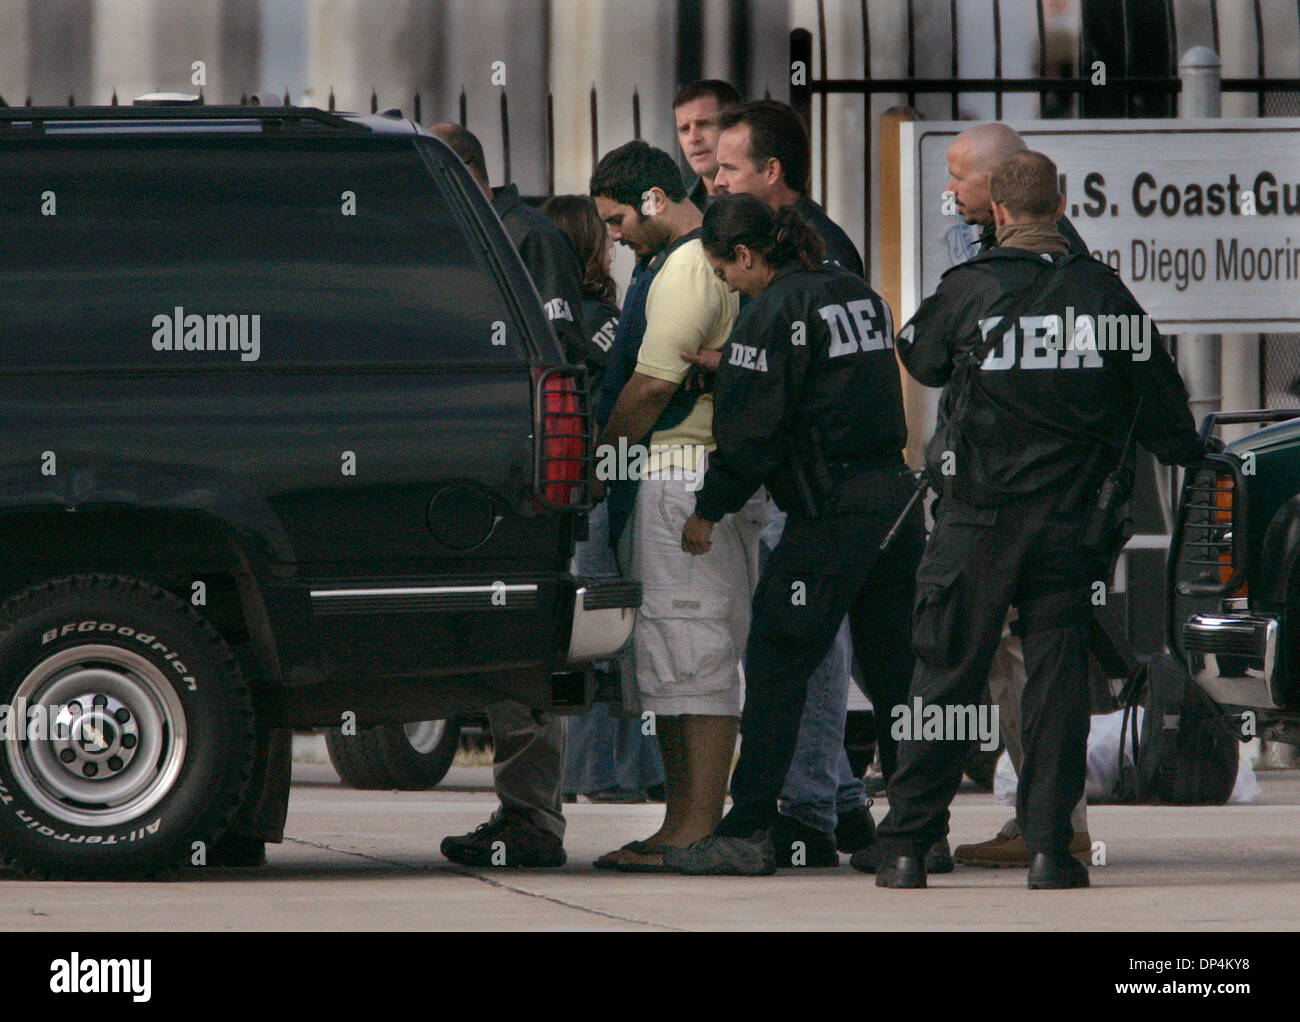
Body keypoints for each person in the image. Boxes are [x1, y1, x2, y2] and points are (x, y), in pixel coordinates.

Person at [872, 151, 1206, 890]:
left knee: (944, 676)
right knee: (1055, 684)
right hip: (1070, 530)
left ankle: (907, 848)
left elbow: (922, 361)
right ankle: (1053, 850)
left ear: (996, 212)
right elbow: (1168, 419)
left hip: (975, 523)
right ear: (1060, 205)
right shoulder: (1105, 294)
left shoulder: (970, 287)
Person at [664, 194, 923, 875]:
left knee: (778, 662)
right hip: (894, 503)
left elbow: (750, 434)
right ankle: (919, 830)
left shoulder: (771, 312)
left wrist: (708, 509)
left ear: (747, 256)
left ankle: (747, 828)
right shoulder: (857, 294)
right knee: (897, 673)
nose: (728, 284)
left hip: (827, 513)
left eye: (726, 271)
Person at [589, 141, 766, 871]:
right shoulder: (678, 264)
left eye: (620, 218)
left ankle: (696, 827)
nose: (615, 235)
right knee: (669, 657)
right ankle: (678, 822)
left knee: (694, 655)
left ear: (657, 199)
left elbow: (653, 386)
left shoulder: (691, 266)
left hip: (682, 475)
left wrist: (601, 457)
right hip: (675, 477)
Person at [935, 122, 1095, 870]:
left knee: (1035, 660)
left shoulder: (1058, 262)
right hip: (994, 486)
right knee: (1006, 662)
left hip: (1031, 496)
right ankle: (1035, 816)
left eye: (961, 178)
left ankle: (1053, 822)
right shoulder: (970, 249)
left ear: (1000, 189)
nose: (950, 190)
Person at [430, 123, 587, 868]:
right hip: (464, 466)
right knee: (490, 650)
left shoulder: (527, 239)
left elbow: (555, 362)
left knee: (517, 648)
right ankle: (522, 812)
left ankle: (532, 820)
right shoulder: (466, 236)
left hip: (514, 472)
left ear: (465, 173)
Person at [541, 194, 666, 804]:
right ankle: (633, 772)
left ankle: (588, 772)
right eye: (605, 234)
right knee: (626, 634)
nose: (614, 243)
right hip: (618, 484)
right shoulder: (607, 321)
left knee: (584, 637)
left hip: (572, 491)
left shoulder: (550, 321)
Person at [713, 99, 863, 276]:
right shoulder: (769, 238)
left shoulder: (821, 251)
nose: (718, 181)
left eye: (730, 168)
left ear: (772, 171)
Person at [672, 79, 742, 212]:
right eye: (684, 129)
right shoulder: (680, 212)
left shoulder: (769, 203)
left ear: (735, 126)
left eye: (704, 124)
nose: (693, 138)